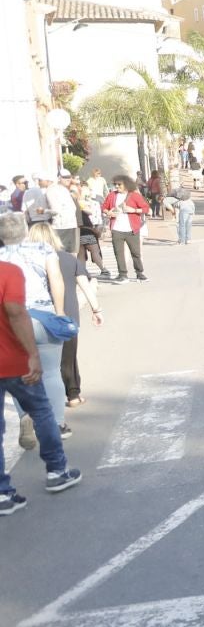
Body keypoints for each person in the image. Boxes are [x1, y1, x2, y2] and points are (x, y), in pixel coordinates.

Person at [0, 249, 79, 513]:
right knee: (43, 411)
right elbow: (15, 312)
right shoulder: (8, 271)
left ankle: (2, 493)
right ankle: (57, 471)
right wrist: (32, 353)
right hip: (12, 360)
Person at [0, 212, 72, 457]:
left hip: (12, 321)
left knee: (22, 374)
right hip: (42, 314)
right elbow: (56, 280)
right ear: (23, 230)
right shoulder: (42, 249)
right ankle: (59, 423)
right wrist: (59, 312)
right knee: (51, 371)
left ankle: (25, 416)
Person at [30, 220, 99, 410]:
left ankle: (42, 400)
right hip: (67, 316)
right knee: (68, 357)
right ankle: (73, 394)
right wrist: (96, 309)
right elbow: (85, 286)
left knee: (41, 361)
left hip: (37, 317)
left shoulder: (29, 263)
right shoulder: (68, 259)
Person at [101, 176, 149, 282]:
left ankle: (139, 273)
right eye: (116, 185)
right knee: (118, 252)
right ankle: (122, 274)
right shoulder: (112, 195)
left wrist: (134, 210)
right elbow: (104, 207)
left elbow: (146, 208)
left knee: (135, 252)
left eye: (119, 184)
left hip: (132, 229)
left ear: (126, 185)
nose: (117, 186)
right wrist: (108, 212)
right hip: (117, 228)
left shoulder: (134, 196)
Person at [44, 172, 78, 255]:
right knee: (71, 254)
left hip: (61, 226)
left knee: (60, 254)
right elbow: (74, 208)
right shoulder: (63, 189)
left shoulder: (51, 190)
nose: (68, 179)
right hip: (72, 224)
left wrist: (44, 211)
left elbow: (56, 210)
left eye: (69, 177)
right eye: (65, 177)